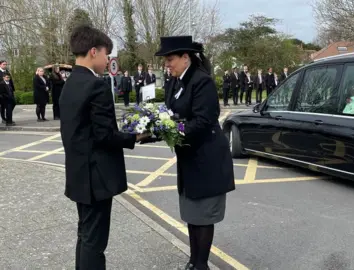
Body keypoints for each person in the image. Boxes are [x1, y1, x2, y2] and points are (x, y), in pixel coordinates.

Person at [59, 25, 151, 270]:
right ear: (92, 52)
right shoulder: (96, 85)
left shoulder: (69, 83)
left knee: (85, 235)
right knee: (95, 242)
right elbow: (105, 136)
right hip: (96, 177)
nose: (107, 60)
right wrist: (136, 137)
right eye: (105, 54)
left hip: (79, 173)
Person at [156, 35, 235, 270]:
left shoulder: (202, 82)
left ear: (185, 57)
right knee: (192, 214)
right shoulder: (175, 81)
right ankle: (193, 261)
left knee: (203, 216)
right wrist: (155, 126)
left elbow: (201, 121)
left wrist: (172, 128)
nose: (167, 64)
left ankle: (201, 265)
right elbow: (171, 113)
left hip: (207, 159)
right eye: (166, 60)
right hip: (189, 157)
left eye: (170, 59)